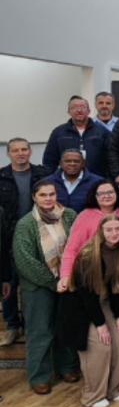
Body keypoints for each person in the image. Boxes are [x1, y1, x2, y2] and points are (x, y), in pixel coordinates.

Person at [12, 180, 79, 394]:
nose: (48, 198)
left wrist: (67, 278)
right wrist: (52, 282)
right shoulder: (26, 224)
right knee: (40, 331)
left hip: (67, 281)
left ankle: (66, 367)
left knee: (65, 326)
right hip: (37, 286)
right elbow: (25, 260)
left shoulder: (69, 215)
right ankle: (39, 376)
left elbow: (79, 245)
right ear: (34, 197)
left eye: (51, 194)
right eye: (43, 195)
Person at [58, 214, 119, 407]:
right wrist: (100, 324)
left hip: (104, 300)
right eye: (109, 230)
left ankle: (115, 389)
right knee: (101, 344)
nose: (114, 233)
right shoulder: (88, 255)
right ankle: (93, 395)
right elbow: (86, 294)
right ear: (101, 231)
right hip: (81, 305)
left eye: (118, 229)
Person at [0, 138, 52, 346]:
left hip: (39, 236)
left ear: (30, 152)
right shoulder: (1, 177)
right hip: (8, 237)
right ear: (8, 154)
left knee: (34, 282)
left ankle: (34, 325)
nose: (20, 153)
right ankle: (12, 325)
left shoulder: (43, 174)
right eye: (15, 150)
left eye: (24, 149)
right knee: (9, 282)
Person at [57, 180, 119, 294]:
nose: (107, 196)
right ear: (95, 196)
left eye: (110, 192)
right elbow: (72, 247)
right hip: (93, 273)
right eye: (101, 193)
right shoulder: (85, 216)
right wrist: (66, 275)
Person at [43, 95, 110, 177]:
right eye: (74, 107)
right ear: (69, 112)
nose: (79, 110)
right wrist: (52, 180)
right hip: (67, 179)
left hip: (96, 178)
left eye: (83, 107)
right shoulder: (59, 132)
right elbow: (49, 160)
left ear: (89, 111)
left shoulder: (102, 131)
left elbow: (109, 159)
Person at [50, 149, 102, 213]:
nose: (72, 164)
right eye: (68, 161)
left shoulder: (98, 182)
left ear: (83, 164)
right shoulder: (48, 182)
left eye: (77, 161)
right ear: (61, 163)